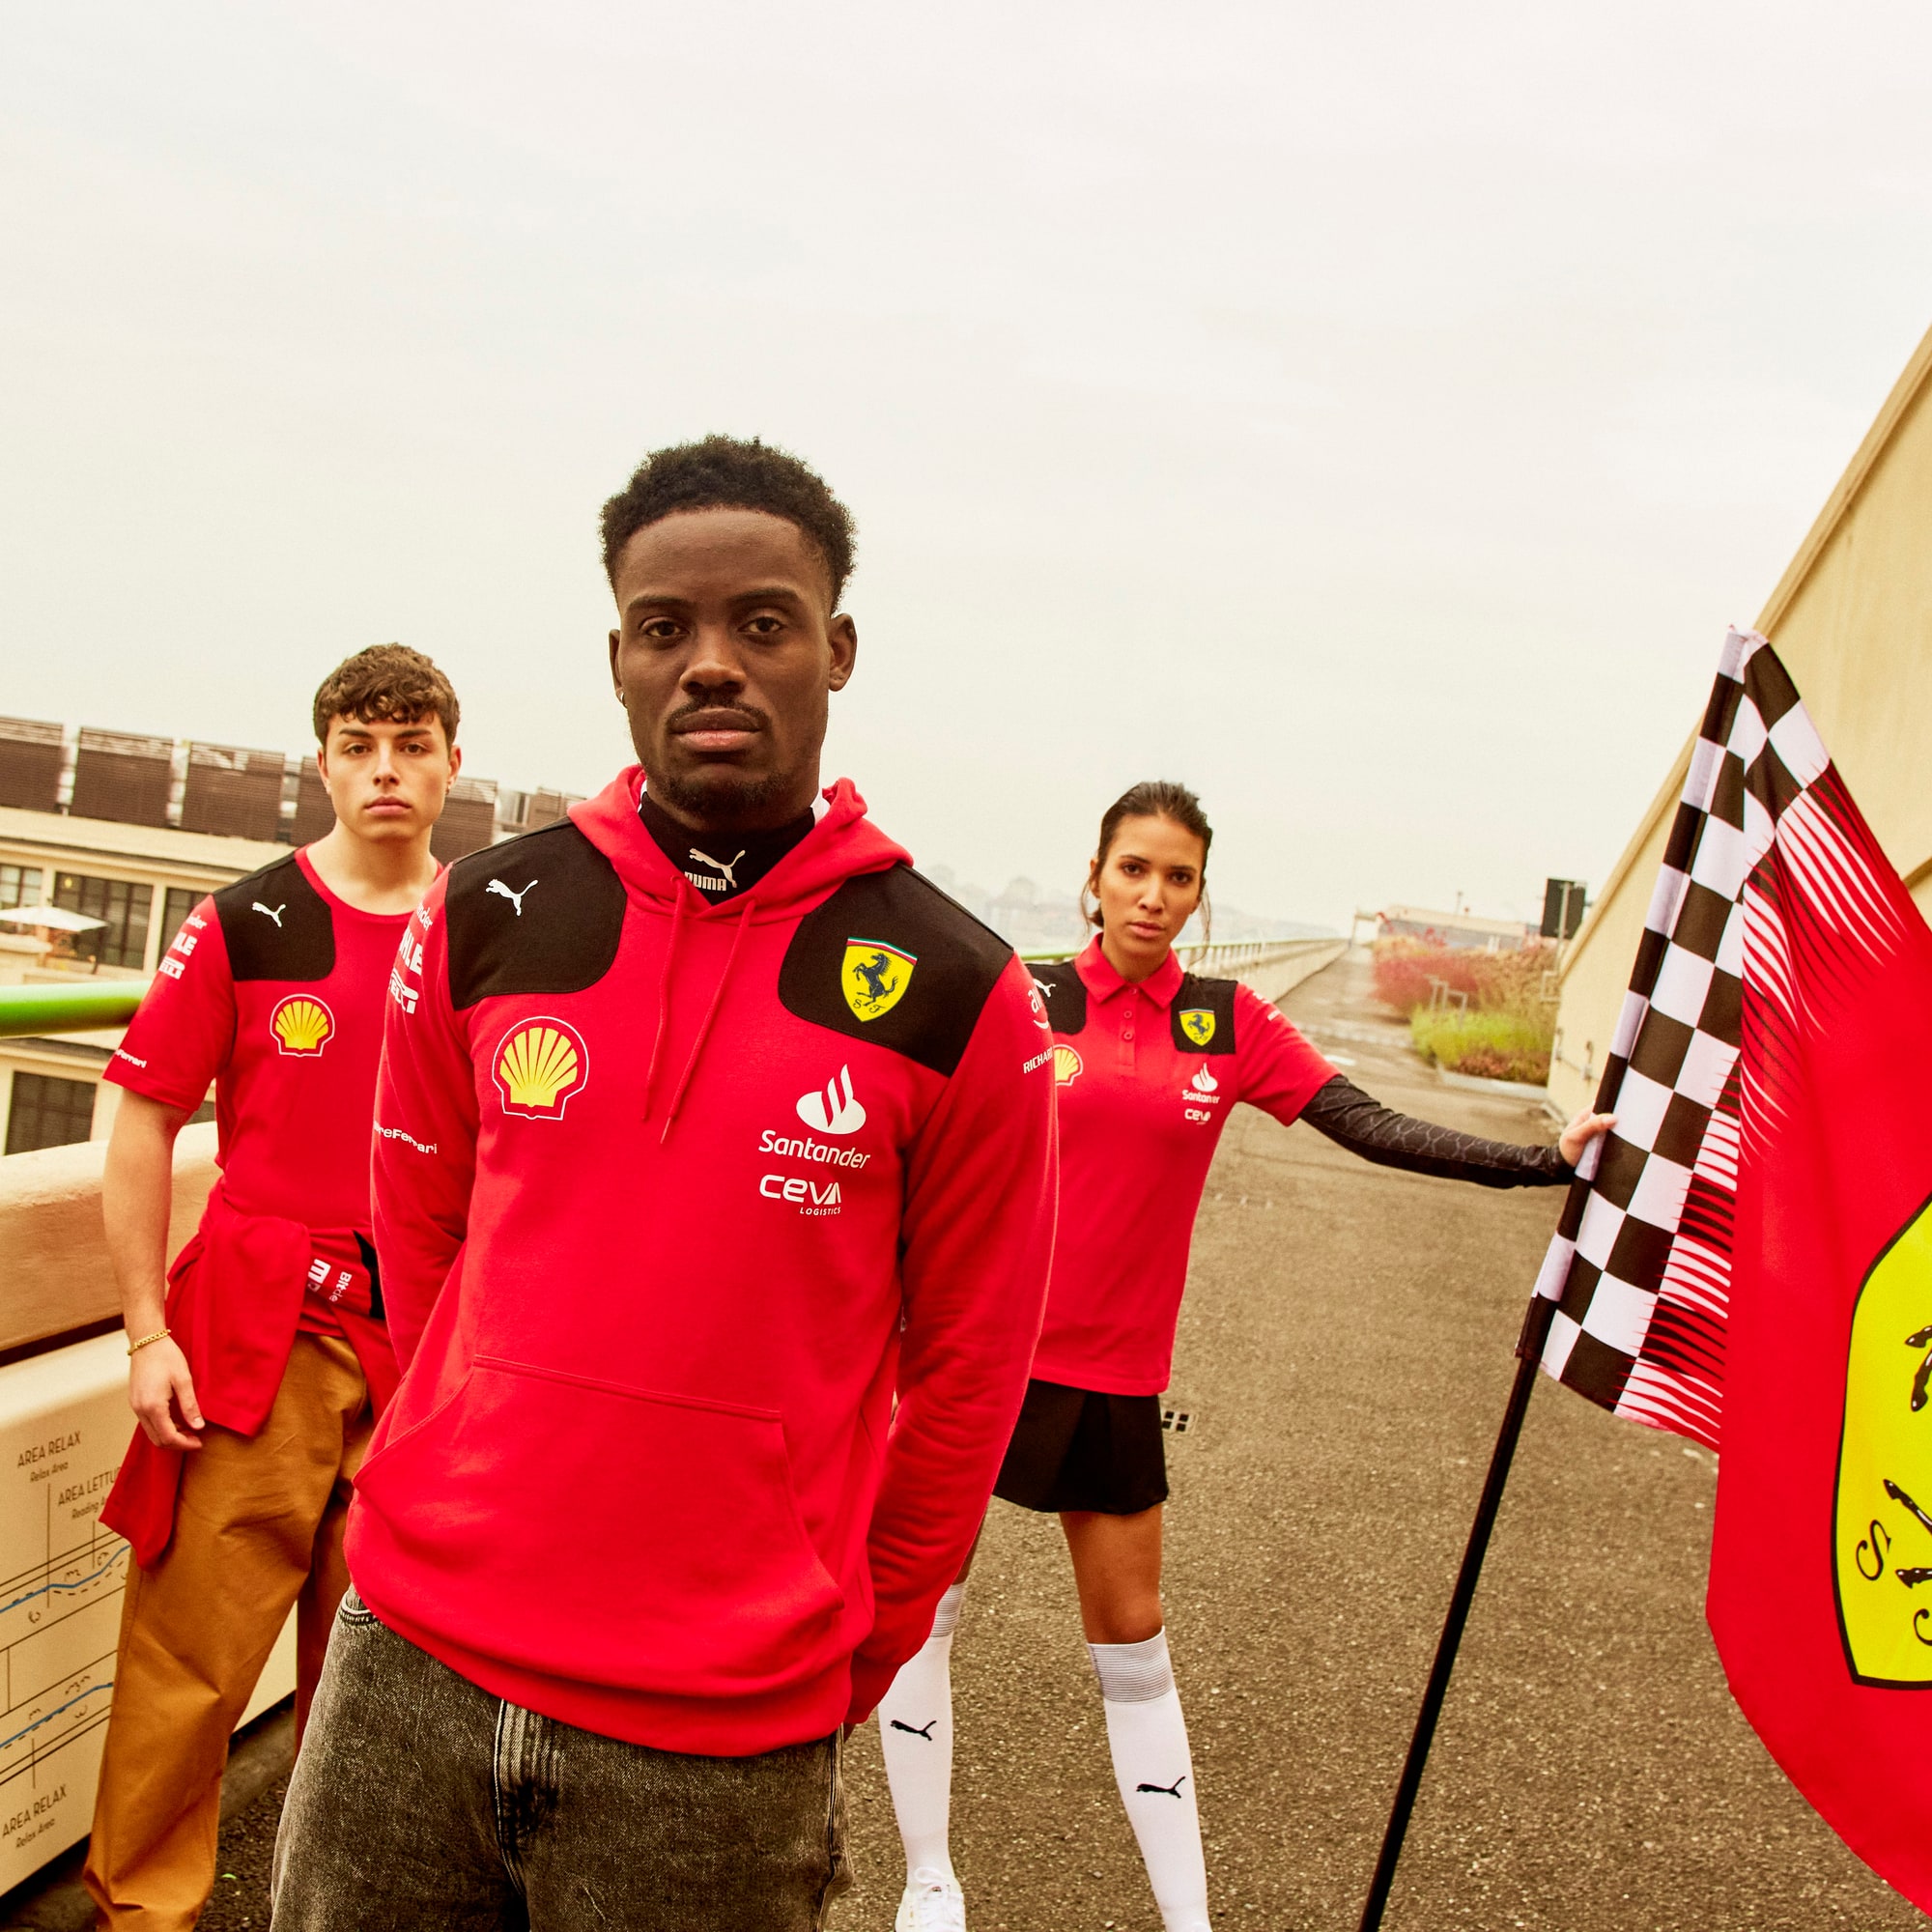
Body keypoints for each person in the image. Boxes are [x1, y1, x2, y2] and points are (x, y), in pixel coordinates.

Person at [270, 436, 1059, 1931]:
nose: (711, 662)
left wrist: (855, 1649)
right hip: (407, 1673)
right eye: (664, 628)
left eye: (761, 624)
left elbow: (968, 1374)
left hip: (721, 1736)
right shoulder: (494, 912)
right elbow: (427, 1257)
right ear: (619, 660)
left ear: (835, 651)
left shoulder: (962, 993)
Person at [875, 780, 1615, 1932]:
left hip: (1114, 1380)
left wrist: (1540, 1161)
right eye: (1133, 869)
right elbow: (900, 1132)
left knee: (1132, 1642)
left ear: (1200, 893)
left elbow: (1369, 1123)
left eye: (1177, 877)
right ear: (1094, 873)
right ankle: (930, 1879)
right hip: (975, 1358)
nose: (1152, 895)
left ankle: (1189, 1919)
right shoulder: (1022, 997)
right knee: (924, 1610)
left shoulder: (1228, 1022)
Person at [83, 645, 462, 1930]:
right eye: (360, 746)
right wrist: (146, 1335)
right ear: (325, 764)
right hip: (258, 1328)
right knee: (191, 1661)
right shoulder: (248, 922)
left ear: (453, 765)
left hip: (424, 1342)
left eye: (412, 745)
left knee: (384, 1688)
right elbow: (139, 1121)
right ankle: (145, 1913)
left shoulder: (488, 933)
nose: (387, 770)